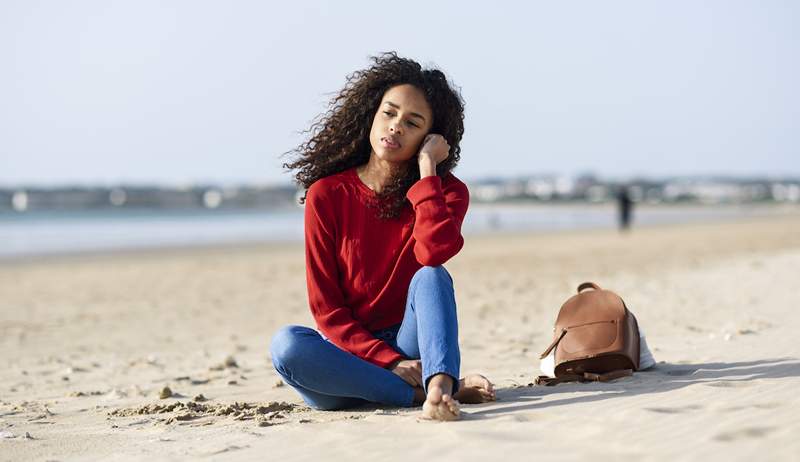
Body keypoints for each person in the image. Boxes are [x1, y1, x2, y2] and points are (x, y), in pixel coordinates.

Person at [270, 52, 494, 421]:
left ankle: (436, 386)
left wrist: (427, 170)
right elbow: (327, 310)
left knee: (432, 275)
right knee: (287, 345)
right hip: (350, 357)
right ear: (371, 114)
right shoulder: (327, 194)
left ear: (431, 137)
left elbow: (433, 252)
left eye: (412, 122)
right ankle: (425, 390)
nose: (395, 127)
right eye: (389, 113)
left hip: (411, 344)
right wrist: (388, 362)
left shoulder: (446, 192)